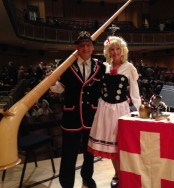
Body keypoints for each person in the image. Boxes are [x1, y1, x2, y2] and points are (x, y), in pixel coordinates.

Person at [50, 31, 105, 188]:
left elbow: (103, 90)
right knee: (69, 154)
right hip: (71, 116)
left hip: (91, 117)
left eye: (88, 45)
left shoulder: (101, 67)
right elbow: (60, 88)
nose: (85, 48)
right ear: (77, 48)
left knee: (89, 153)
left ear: (93, 47)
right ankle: (67, 184)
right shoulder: (66, 65)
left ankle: (87, 180)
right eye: (82, 45)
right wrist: (51, 83)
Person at [87, 36, 141, 187]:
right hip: (105, 108)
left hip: (120, 109)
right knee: (112, 145)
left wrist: (139, 109)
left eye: (118, 48)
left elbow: (135, 91)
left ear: (122, 50)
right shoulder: (103, 67)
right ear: (108, 51)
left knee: (122, 143)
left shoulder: (129, 67)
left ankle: (125, 173)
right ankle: (117, 173)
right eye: (112, 49)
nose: (115, 52)